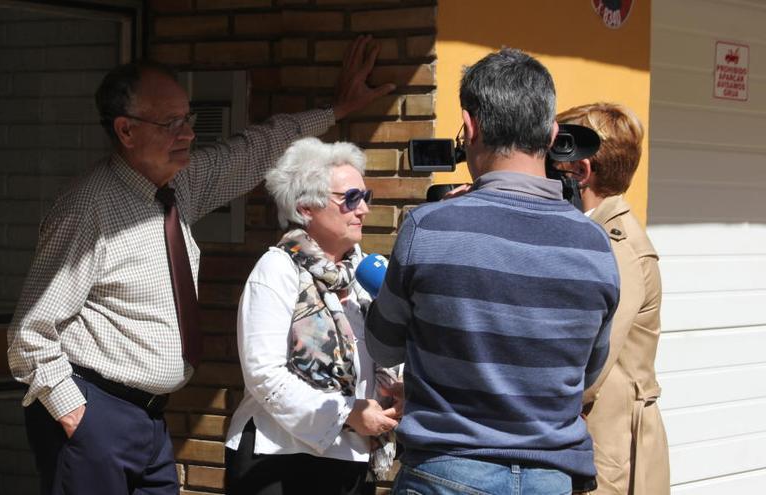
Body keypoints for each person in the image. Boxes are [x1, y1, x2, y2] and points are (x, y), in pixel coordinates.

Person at [7, 35, 395, 495]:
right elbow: (28, 334)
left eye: (187, 119)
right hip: (96, 411)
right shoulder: (87, 210)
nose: (188, 133)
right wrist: (77, 414)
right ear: (126, 130)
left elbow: (255, 150)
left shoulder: (180, 185)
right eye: (171, 123)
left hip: (147, 419)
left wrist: (334, 111)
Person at [364, 48, 621, 495]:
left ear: (470, 127)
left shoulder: (429, 228)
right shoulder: (595, 244)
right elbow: (588, 371)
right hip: (551, 477)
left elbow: (382, 345)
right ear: (552, 132)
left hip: (446, 471)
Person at [223, 137, 402, 495]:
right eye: (351, 198)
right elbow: (263, 373)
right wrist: (347, 413)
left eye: (366, 197)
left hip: (350, 458)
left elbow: (374, 358)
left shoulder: (363, 275)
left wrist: (395, 389)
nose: (363, 209)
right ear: (306, 208)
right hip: (278, 458)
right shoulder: (277, 268)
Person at [556, 103, 670, 494]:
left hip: (610, 446)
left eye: (554, 157)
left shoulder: (618, 246)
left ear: (580, 172)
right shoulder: (596, 234)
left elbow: (595, 363)